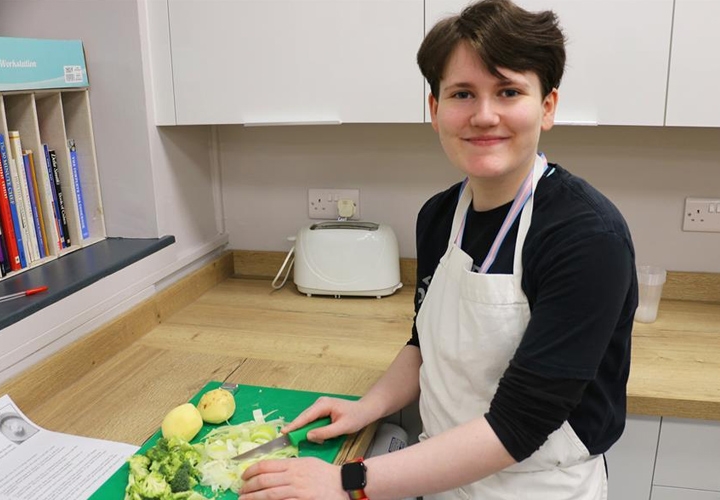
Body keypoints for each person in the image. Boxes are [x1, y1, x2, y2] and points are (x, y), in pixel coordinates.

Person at [238, 0, 637, 498]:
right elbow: (423, 345)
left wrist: (349, 482)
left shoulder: (585, 237)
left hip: (538, 486)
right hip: (440, 474)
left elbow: (520, 425)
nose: (484, 115)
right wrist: (369, 406)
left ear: (548, 106)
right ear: (435, 109)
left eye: (509, 91)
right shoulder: (439, 216)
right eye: (463, 93)